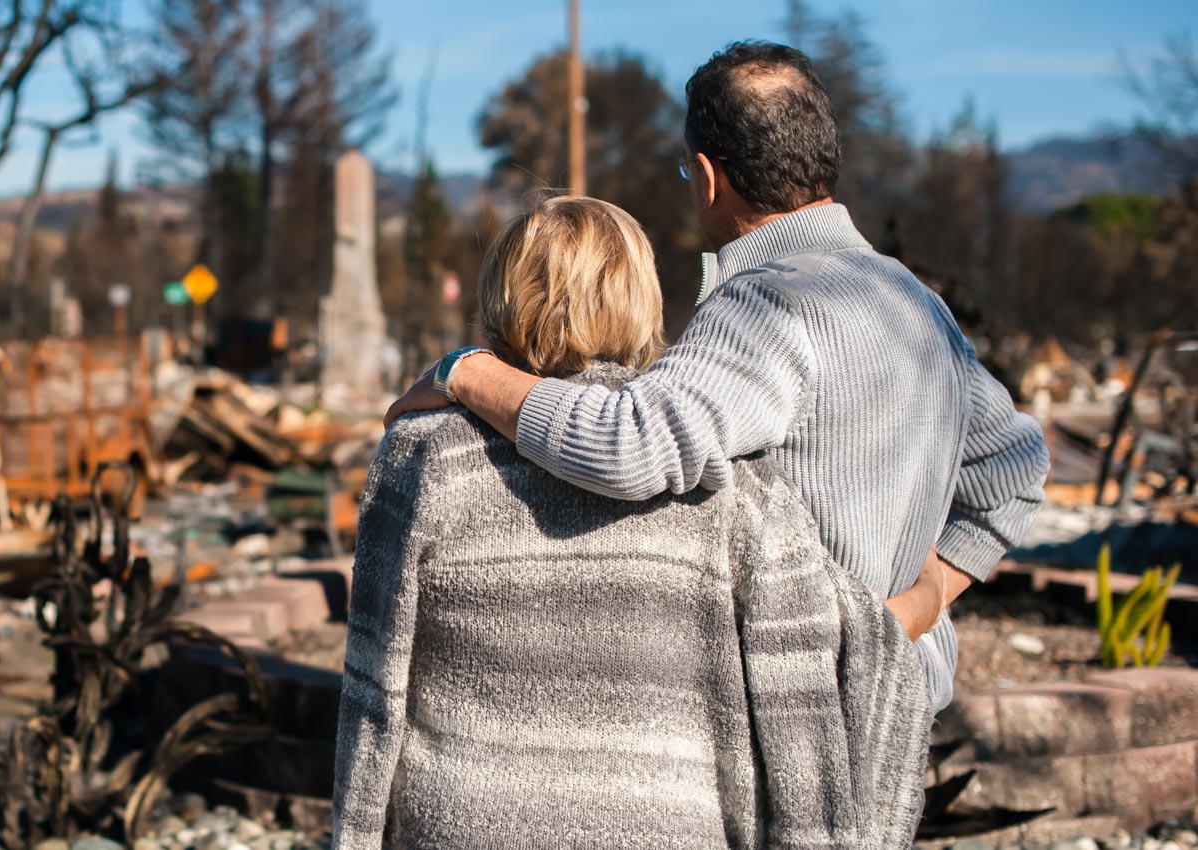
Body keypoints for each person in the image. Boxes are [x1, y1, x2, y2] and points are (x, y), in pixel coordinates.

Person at [385, 41, 1051, 713]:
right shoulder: (912, 302)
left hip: (803, 718)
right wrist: (926, 596)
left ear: (706, 176)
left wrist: (463, 371)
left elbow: (627, 445)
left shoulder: (768, 301)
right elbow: (1014, 470)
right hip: (902, 704)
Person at [333, 194, 928, 850]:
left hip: (464, 824)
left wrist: (356, 835)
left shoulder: (422, 454)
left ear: (498, 296)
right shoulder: (728, 479)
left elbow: (373, 685)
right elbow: (799, 688)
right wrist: (925, 596)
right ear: (640, 297)